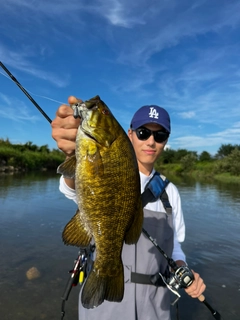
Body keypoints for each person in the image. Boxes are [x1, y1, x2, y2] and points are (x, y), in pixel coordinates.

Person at [51, 96, 206, 320]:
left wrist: (183, 268)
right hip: (103, 307)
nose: (151, 141)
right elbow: (71, 188)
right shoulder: (96, 159)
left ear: (165, 141)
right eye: (144, 133)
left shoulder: (170, 193)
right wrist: (71, 153)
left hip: (154, 306)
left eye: (159, 135)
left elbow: (176, 247)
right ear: (129, 133)